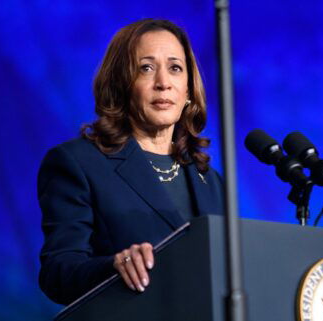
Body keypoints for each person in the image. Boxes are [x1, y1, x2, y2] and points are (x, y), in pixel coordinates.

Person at [37, 19, 224, 306]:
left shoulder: (209, 180)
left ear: (188, 89)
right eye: (146, 68)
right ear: (121, 83)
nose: (163, 83)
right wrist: (114, 266)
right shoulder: (77, 164)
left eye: (175, 68)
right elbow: (57, 273)